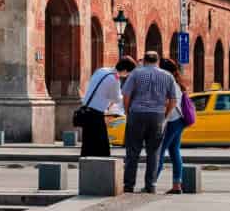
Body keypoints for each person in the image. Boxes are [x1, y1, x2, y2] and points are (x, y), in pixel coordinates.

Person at [122, 50, 178, 193]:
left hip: (137, 113)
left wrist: (128, 112)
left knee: (133, 151)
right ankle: (150, 185)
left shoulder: (136, 73)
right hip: (157, 115)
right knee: (154, 152)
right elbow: (173, 100)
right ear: (158, 61)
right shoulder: (167, 76)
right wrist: (165, 115)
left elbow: (126, 95)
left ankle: (129, 185)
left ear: (145, 60)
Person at [76, 57, 132, 159]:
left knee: (87, 143)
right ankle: (103, 168)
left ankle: (86, 166)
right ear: (124, 70)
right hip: (96, 114)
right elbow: (116, 99)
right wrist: (125, 95)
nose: (127, 76)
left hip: (85, 109)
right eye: (128, 73)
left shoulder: (101, 70)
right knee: (102, 145)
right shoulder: (115, 79)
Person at [159, 61, 193, 195]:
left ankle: (152, 183)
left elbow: (168, 102)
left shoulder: (169, 82)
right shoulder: (175, 82)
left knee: (159, 151)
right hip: (179, 119)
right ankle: (177, 184)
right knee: (174, 151)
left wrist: (163, 119)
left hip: (173, 120)